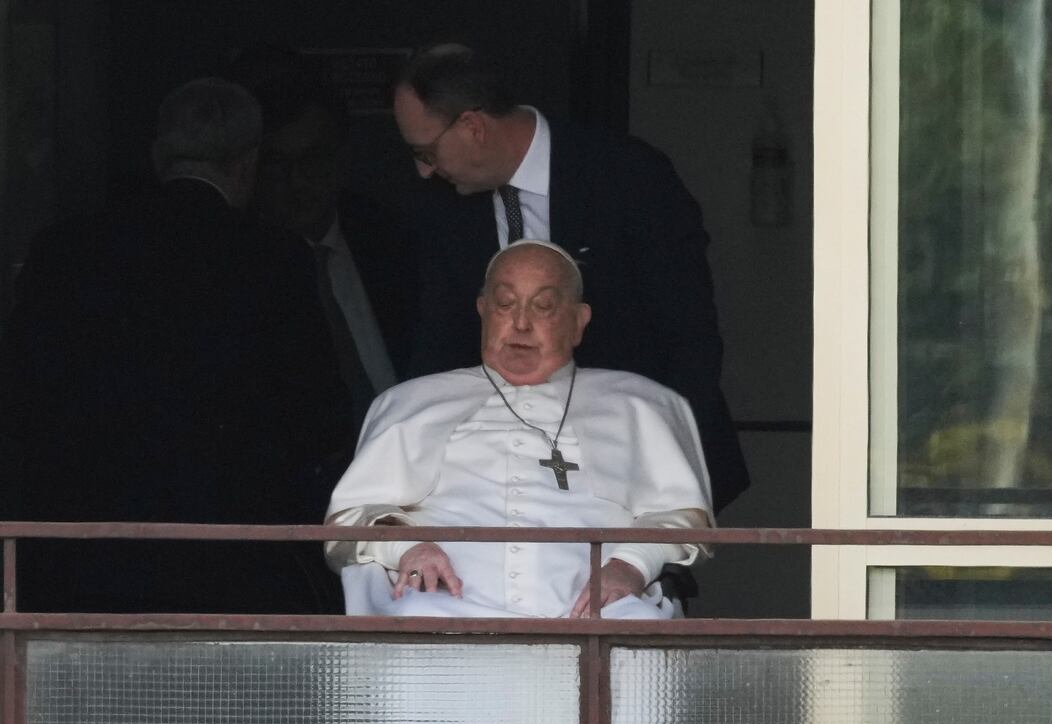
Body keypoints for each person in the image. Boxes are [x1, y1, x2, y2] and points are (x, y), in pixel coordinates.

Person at [0, 77, 353, 613]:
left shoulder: (66, 249)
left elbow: (15, 396)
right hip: (231, 562)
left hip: (79, 555)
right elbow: (320, 415)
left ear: (159, 156)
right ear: (247, 164)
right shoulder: (272, 259)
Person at [392, 43, 749, 512]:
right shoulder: (444, 208)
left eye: (426, 151)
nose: (422, 170)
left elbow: (689, 336)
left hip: (635, 460)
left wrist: (664, 473)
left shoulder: (627, 176)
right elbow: (439, 343)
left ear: (473, 127)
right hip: (495, 479)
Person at [326, 239, 713, 619]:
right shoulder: (410, 403)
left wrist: (631, 564)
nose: (521, 323)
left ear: (579, 323)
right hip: (443, 608)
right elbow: (350, 519)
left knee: (637, 629)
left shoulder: (641, 405)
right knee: (414, 616)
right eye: (505, 304)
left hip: (598, 615)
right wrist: (409, 548)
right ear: (482, 311)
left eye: (543, 306)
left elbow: (681, 516)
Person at [229, 54, 417, 419]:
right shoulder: (235, 266)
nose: (297, 182)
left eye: (313, 159)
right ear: (253, 167)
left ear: (340, 158)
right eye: (278, 163)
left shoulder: (389, 243)